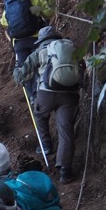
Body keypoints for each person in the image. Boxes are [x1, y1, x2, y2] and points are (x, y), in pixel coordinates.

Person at [14, 26, 82, 184]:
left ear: (42, 41)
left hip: (47, 94)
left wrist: (17, 67)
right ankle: (65, 172)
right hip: (71, 96)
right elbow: (82, 67)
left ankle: (46, 146)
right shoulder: (71, 49)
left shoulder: (40, 52)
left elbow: (20, 77)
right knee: (66, 130)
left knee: (39, 114)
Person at [0, 0, 45, 99]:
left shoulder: (9, 1)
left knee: (25, 71)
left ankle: (33, 97)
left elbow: (4, 21)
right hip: (36, 37)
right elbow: (46, 11)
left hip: (19, 43)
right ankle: (44, 91)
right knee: (39, 65)